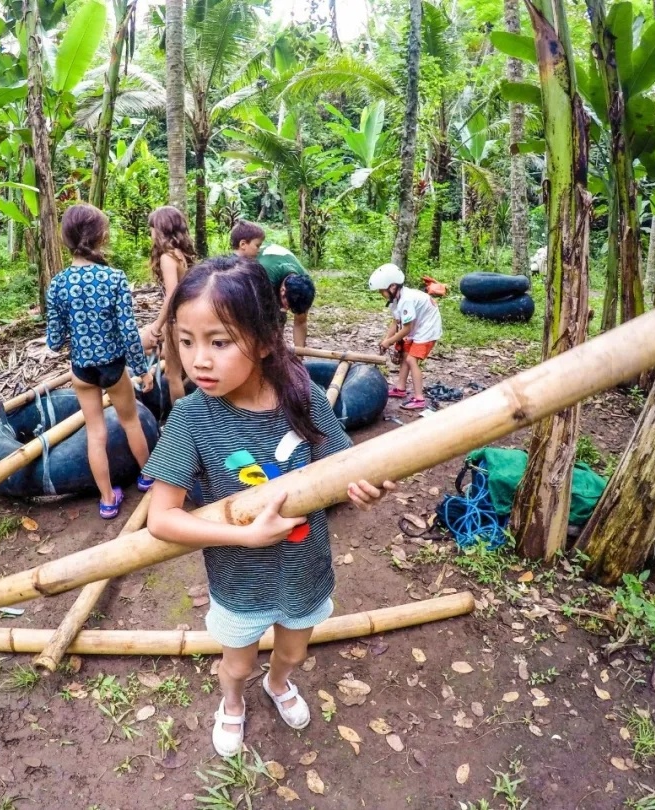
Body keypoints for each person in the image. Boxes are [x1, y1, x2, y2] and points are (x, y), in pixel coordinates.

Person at [142, 256, 394, 757]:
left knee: (293, 652)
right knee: (236, 662)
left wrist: (367, 488)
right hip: (239, 578)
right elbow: (161, 518)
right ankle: (232, 701)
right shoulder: (191, 417)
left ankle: (278, 686)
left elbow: (345, 468)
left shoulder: (302, 395)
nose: (199, 361)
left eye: (218, 341)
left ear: (262, 339)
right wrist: (246, 536)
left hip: (304, 569)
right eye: (186, 341)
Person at [46, 204, 155, 519]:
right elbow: (129, 334)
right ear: (100, 235)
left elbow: (54, 343)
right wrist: (142, 370)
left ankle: (107, 500)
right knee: (130, 421)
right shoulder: (114, 278)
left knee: (95, 432)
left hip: (81, 369)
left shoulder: (58, 284)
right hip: (112, 366)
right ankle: (147, 476)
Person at [141, 206, 199, 404]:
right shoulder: (181, 254)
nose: (150, 233)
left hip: (177, 319)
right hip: (187, 317)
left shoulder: (167, 257)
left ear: (159, 229)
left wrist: (157, 327)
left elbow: (172, 295)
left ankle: (178, 423)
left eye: (152, 228)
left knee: (172, 375)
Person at [231, 221, 316, 348]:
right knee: (270, 320)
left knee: (280, 317)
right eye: (286, 304)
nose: (287, 309)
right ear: (282, 290)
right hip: (259, 275)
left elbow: (300, 322)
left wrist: (299, 356)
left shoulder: (304, 286)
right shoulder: (263, 275)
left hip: (277, 271)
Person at [369, 263, 442, 411]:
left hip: (428, 328)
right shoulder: (395, 301)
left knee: (411, 359)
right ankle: (400, 388)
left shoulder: (406, 300)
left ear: (393, 287)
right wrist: (386, 339)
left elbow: (407, 328)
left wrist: (390, 341)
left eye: (382, 291)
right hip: (418, 326)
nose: (380, 294)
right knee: (405, 354)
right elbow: (396, 322)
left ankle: (419, 398)